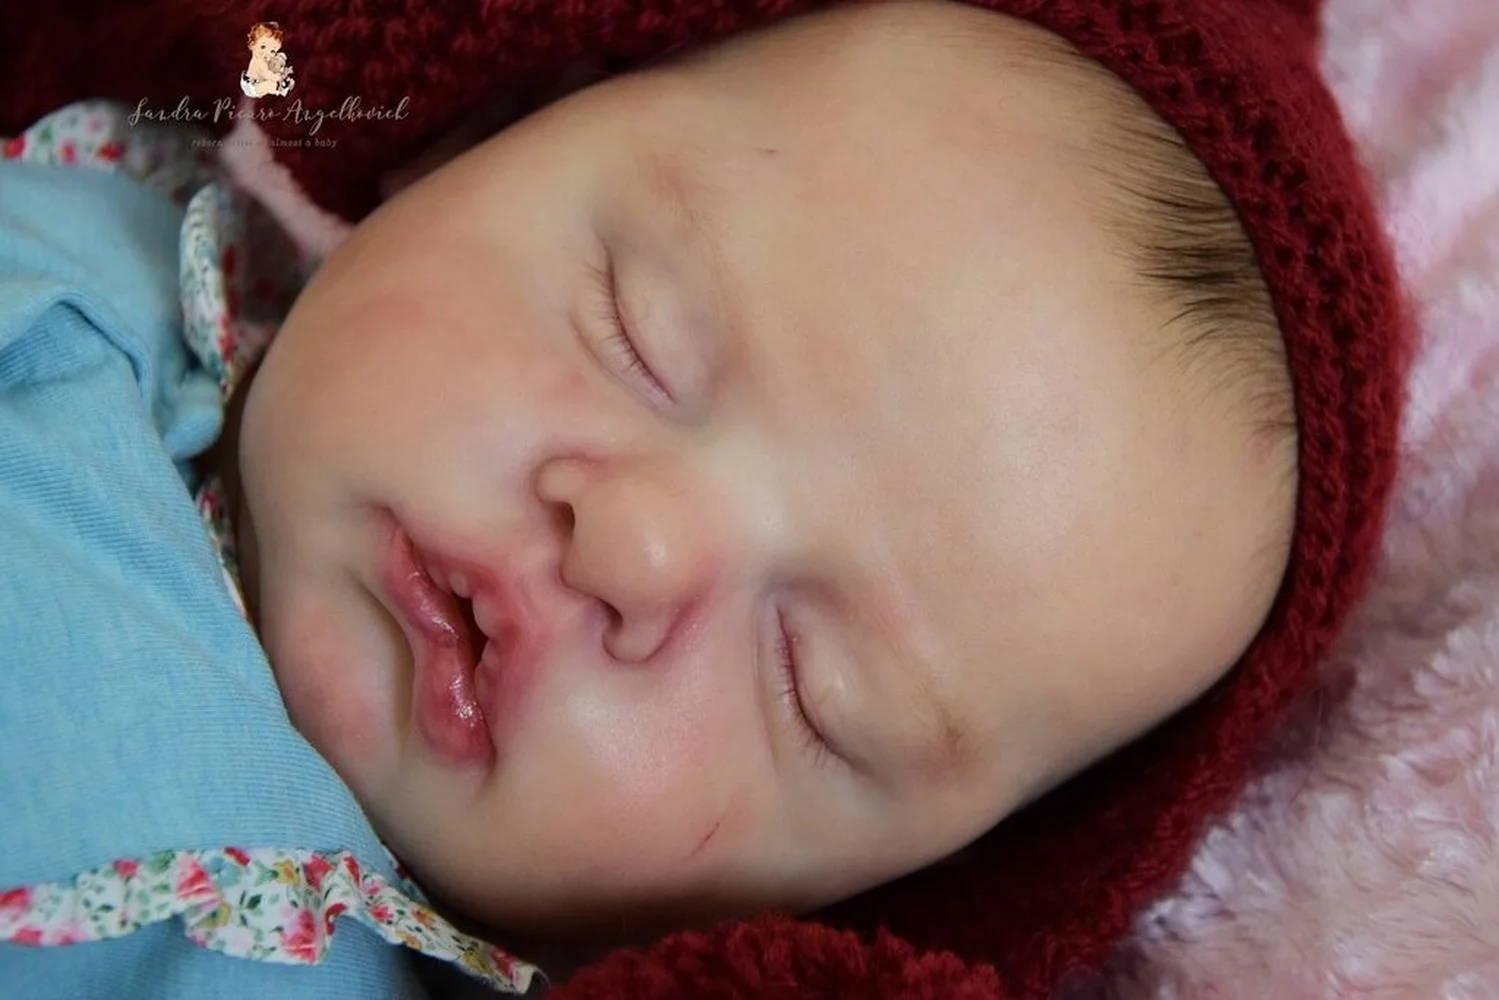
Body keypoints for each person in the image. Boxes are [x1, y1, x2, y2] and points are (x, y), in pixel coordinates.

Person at [0, 0, 1410, 996]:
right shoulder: (63, 256)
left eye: (815, 691)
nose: (633, 544)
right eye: (641, 334)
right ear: (490, 128)